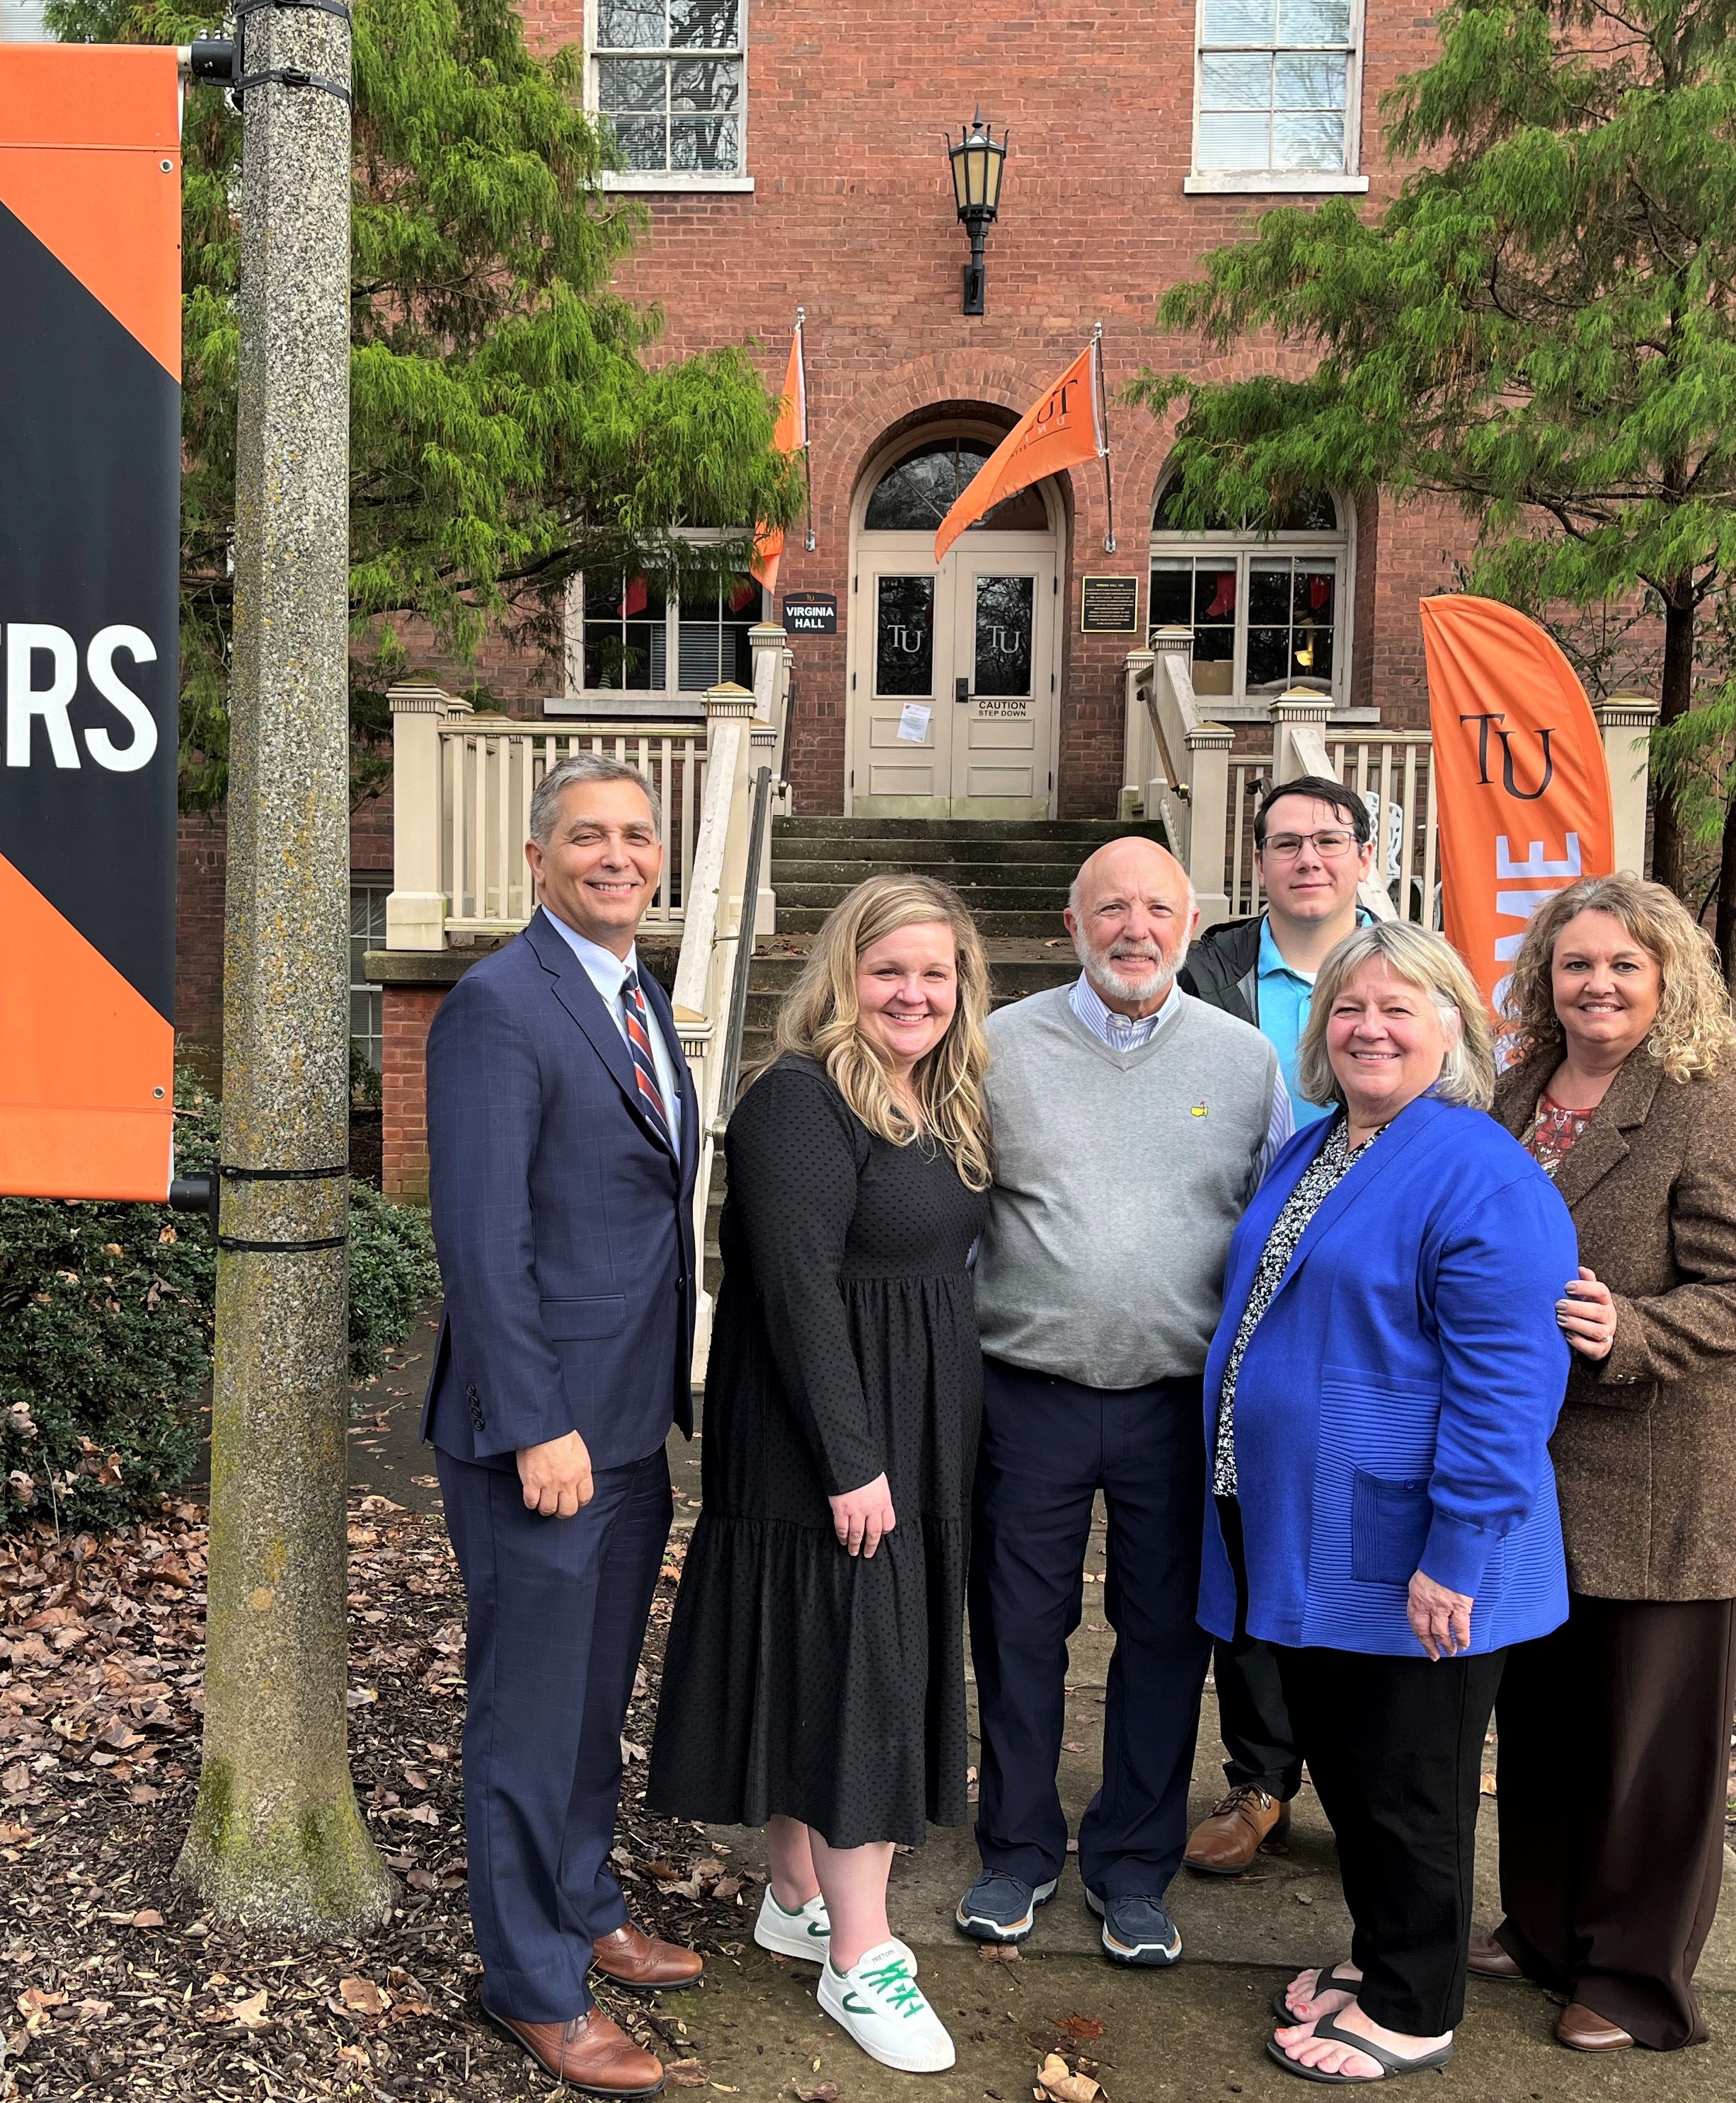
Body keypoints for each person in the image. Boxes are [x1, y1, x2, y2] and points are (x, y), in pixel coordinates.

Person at [1206, 921, 1577, 2084]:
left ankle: (1416, 2006)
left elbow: (1509, 1385)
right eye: (1349, 1010)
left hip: (1411, 1540)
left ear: (1452, 1028)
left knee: (1409, 1786)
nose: (1368, 1028)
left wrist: (1457, 1551)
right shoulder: (1325, 1143)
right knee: (1355, 1768)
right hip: (1311, 1527)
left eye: (1398, 1009)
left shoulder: (1479, 1171)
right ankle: (1378, 1957)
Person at [648, 875, 994, 2075]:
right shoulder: (801, 1099)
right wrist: (854, 1461)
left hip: (913, 1422)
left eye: (936, 973)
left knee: (837, 1658)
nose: (914, 993)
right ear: (842, 976)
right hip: (828, 1437)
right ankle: (862, 1956)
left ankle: (794, 1895)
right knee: (867, 1681)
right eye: (889, 969)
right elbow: (795, 1293)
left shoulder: (937, 1095)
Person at [1473, 874, 1736, 2053]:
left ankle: (1635, 1978)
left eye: (1622, 965)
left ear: (1667, 976)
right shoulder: (1520, 1090)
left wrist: (1638, 1331)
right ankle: (1548, 1927)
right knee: (1550, 1720)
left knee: (1649, 1747)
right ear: (1543, 979)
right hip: (1537, 1469)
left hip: (1668, 1474)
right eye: (1575, 965)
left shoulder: (1705, 1101)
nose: (1597, 984)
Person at [955, 836, 1289, 1970]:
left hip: (1178, 1407)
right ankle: (1016, 1850)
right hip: (1029, 1394)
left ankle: (1133, 1867)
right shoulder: (997, 1049)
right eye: (1111, 909)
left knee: (1164, 1640)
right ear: (1072, 923)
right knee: (1016, 1634)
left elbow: (1276, 1232)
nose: (1133, 929)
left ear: (1191, 925)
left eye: (1157, 908)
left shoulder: (1246, 1064)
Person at [425, 754, 703, 2099]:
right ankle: (533, 1981)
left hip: (629, 1426)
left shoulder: (636, 994)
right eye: (587, 836)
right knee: (529, 1717)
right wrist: (537, 1424)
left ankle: (586, 1898)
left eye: (637, 837)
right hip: (538, 1439)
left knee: (596, 1701)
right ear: (538, 859)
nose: (616, 856)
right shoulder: (496, 1005)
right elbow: (482, 1244)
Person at [1175, 774, 1376, 1877]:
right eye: (1286, 843)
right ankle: (1260, 1780)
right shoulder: (1209, 971)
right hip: (1244, 1291)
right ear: (1258, 863)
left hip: (1370, 1298)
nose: (1308, 859)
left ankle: (1358, 1778)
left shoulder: (1406, 975)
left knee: (1353, 1536)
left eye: (1328, 840)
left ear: (1363, 855)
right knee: (1245, 1531)